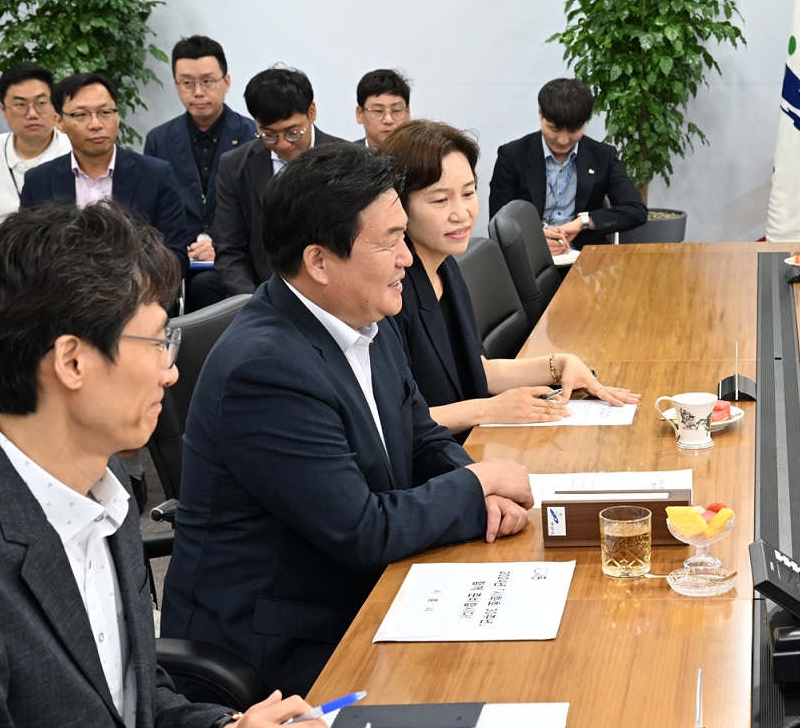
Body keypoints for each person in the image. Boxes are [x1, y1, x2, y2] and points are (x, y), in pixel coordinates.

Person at [0, 200, 348, 728]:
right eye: (156, 337)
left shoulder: (98, 495)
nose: (173, 366)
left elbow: (128, 704)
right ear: (72, 361)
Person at [161, 144, 534, 695]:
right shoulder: (265, 370)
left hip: (365, 595)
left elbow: (421, 436)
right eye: (389, 241)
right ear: (319, 260)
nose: (407, 257)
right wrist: (478, 481)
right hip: (283, 652)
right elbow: (362, 530)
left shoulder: (364, 320)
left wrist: (483, 497)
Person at [380, 120, 637, 437]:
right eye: (440, 200)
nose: (461, 213)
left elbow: (477, 369)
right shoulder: (389, 293)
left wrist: (559, 365)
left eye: (468, 193)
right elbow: (395, 421)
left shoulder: (446, 268)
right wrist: (490, 409)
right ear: (399, 206)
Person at [212, 66, 351, 296]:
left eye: (292, 132)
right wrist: (255, 304)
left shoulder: (349, 161)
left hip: (336, 296)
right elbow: (230, 252)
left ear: (312, 112)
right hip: (264, 297)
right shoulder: (235, 166)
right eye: (269, 135)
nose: (283, 144)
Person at [143, 35, 257, 311]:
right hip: (176, 256)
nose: (197, 92)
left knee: (205, 286)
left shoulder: (252, 135)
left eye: (207, 81)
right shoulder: (159, 139)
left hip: (234, 255)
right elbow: (151, 211)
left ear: (226, 82)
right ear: (176, 85)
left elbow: (257, 211)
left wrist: (220, 244)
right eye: (187, 83)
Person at [20, 72, 191, 253]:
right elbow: (28, 254)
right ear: (59, 122)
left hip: (134, 280)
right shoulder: (38, 182)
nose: (96, 124)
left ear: (117, 116)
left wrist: (141, 281)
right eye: (81, 115)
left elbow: (175, 253)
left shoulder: (156, 176)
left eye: (105, 112)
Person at [489, 77, 646, 255]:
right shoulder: (512, 155)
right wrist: (535, 238)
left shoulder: (602, 156)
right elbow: (499, 221)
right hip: (530, 259)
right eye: (554, 129)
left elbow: (636, 211)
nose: (563, 141)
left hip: (585, 257)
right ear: (540, 113)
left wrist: (583, 223)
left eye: (573, 131)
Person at [0, 62, 70, 245]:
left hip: (63, 264)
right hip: (1, 264)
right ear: (3, 110)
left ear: (55, 106)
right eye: (20, 105)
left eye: (41, 103)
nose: (32, 113)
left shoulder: (73, 151)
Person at [355, 68, 412, 153]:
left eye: (396, 110)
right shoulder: (345, 162)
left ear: (408, 113)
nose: (388, 120)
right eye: (378, 111)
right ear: (360, 114)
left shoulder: (424, 160)